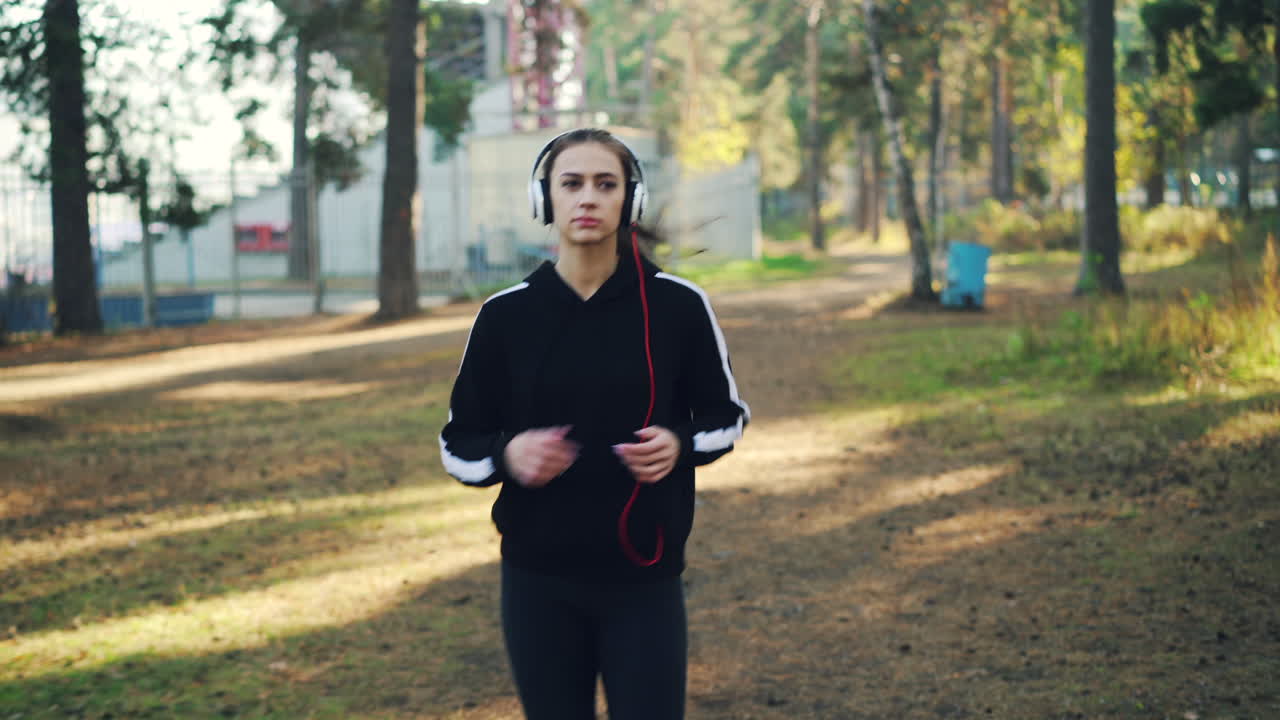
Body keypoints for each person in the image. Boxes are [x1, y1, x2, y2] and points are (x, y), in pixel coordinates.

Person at [439, 127, 749, 720]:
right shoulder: (503, 318)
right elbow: (458, 444)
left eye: (605, 184)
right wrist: (507, 455)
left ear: (629, 201)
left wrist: (680, 444)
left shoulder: (680, 307)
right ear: (544, 200)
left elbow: (727, 418)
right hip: (537, 582)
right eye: (571, 183)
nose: (587, 198)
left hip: (645, 581)